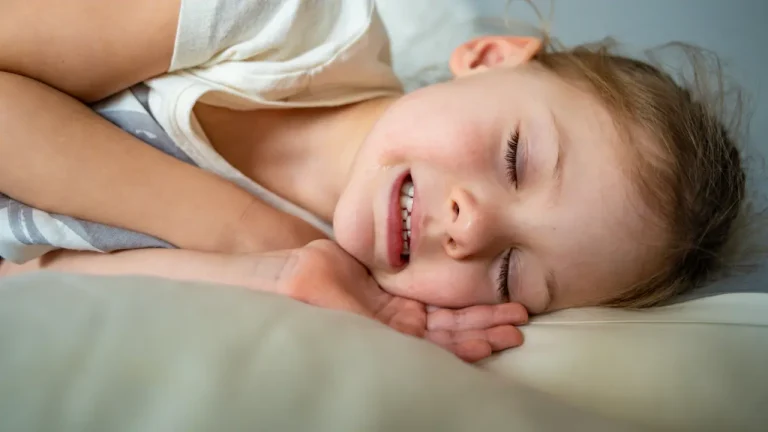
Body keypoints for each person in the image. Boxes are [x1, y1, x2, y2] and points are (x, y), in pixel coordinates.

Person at [0, 0, 746, 362]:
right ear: (487, 58)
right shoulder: (278, 26)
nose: (472, 227)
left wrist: (283, 269)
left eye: (510, 271)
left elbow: (40, 274)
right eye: (516, 158)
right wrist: (246, 232)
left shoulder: (339, 292)